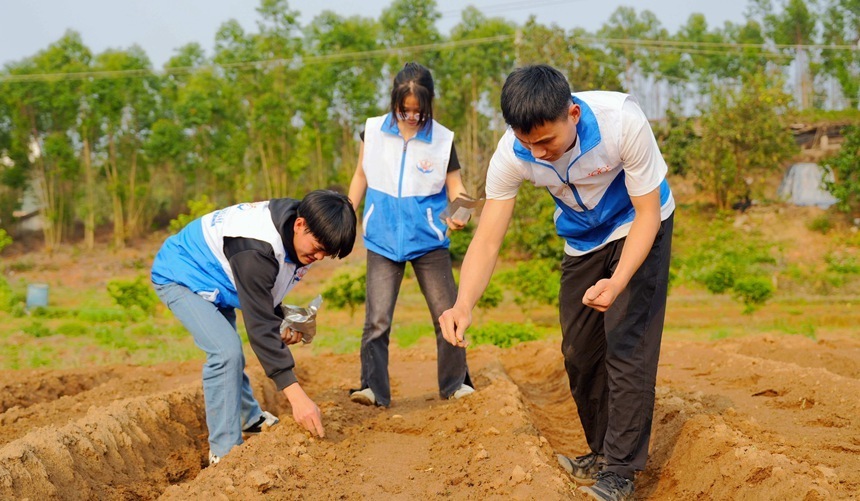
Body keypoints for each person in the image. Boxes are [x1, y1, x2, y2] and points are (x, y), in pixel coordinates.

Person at [439, 65, 674, 501]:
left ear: (573, 114)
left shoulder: (621, 122)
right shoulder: (512, 153)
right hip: (582, 239)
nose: (539, 152)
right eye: (528, 142)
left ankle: (620, 471)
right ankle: (601, 452)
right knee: (579, 353)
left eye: (546, 140)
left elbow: (646, 214)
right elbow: (488, 239)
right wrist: (462, 304)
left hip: (640, 224)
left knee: (626, 345)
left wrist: (619, 280)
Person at [150, 190, 356, 465]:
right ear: (299, 225)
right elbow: (259, 326)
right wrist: (297, 398)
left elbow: (264, 295)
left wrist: (282, 322)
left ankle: (249, 417)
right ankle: (223, 453)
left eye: (326, 254)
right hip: (182, 275)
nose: (319, 257)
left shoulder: (297, 228)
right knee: (225, 353)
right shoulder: (256, 248)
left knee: (231, 352)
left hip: (220, 279)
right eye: (318, 247)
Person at [347, 62, 474, 408]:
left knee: (446, 315)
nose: (412, 117)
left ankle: (455, 384)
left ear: (429, 104)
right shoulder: (372, 131)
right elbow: (361, 176)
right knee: (377, 320)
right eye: (406, 111)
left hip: (429, 242)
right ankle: (373, 389)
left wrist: (460, 214)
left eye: (419, 112)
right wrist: (346, 211)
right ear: (394, 103)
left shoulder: (443, 140)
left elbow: (457, 188)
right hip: (382, 240)